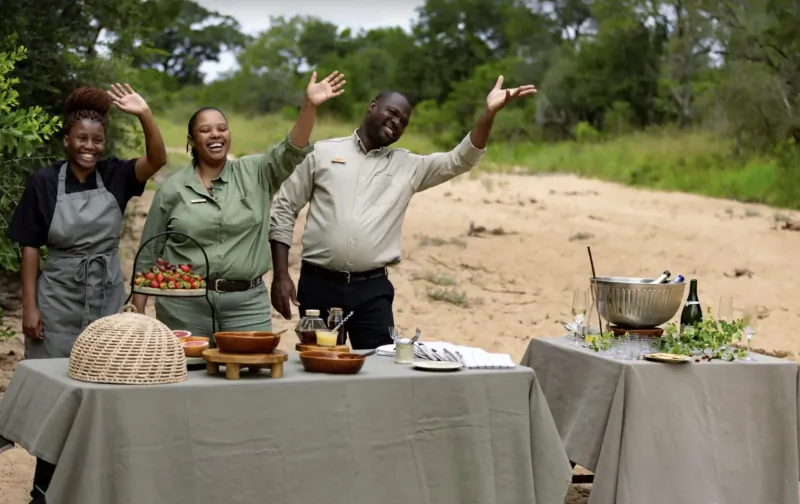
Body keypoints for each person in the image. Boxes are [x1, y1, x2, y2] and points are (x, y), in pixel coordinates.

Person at [269, 75, 536, 350]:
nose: (397, 123)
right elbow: (284, 208)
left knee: (379, 374)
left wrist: (488, 114)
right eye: (393, 113)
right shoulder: (322, 153)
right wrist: (281, 275)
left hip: (371, 290)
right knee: (318, 368)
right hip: (318, 285)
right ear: (372, 107)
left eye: (404, 122)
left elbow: (461, 159)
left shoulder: (409, 167)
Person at [6, 83, 167, 503]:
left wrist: (144, 113)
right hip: (56, 301)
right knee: (54, 397)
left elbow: (158, 159)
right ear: (66, 139)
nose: (89, 147)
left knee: (105, 394)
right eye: (81, 139)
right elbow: (28, 246)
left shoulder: (115, 175)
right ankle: (42, 493)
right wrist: (30, 306)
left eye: (96, 140)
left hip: (107, 300)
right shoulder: (44, 181)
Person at [131, 70, 346, 336]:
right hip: (183, 307)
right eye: (205, 130)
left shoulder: (257, 172)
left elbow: (291, 150)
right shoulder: (172, 189)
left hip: (246, 306)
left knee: (251, 370)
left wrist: (309, 106)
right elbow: (149, 251)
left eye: (222, 128)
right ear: (191, 141)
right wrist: (137, 311)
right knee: (188, 373)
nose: (215, 135)